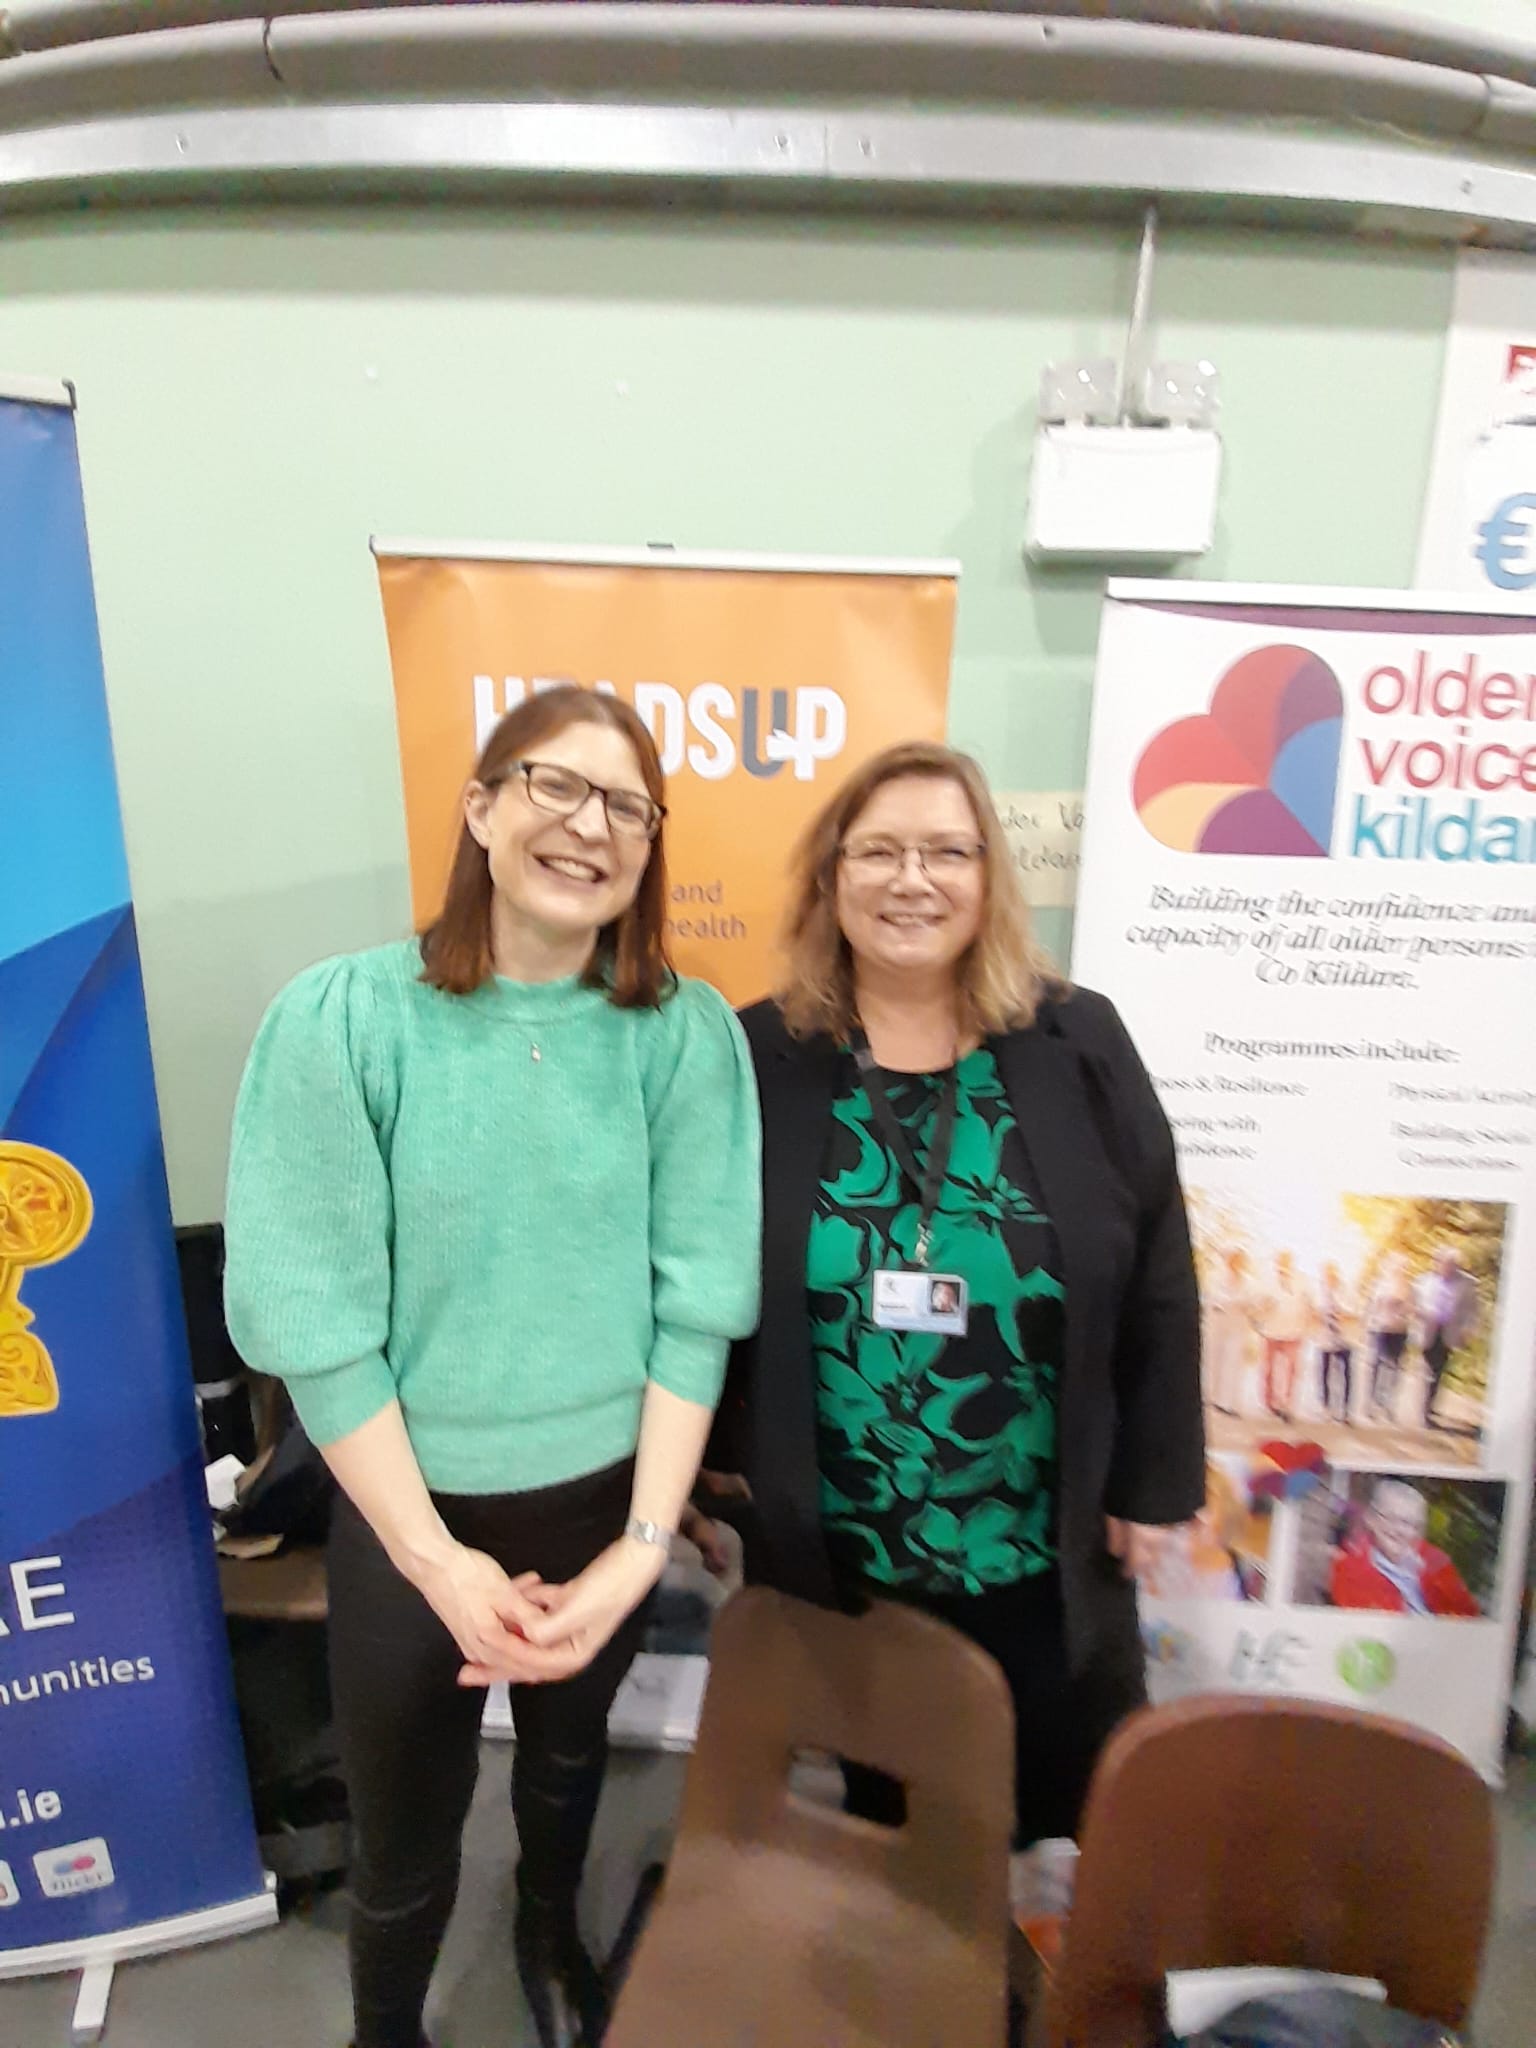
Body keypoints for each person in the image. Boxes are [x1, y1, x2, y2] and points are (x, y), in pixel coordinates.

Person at [223, 687, 761, 2048]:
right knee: (404, 1838)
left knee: (569, 1771)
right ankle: (387, 2027)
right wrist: (437, 1563)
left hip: (604, 1507)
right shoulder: (344, 1020)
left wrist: (642, 1548)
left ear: (650, 844)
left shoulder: (683, 1034)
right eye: (553, 785)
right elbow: (316, 1320)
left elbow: (697, 1307)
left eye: (627, 805)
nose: (591, 825)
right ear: (479, 807)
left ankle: (547, 1936)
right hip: (411, 1518)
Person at [697, 740, 1204, 1847]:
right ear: (832, 876)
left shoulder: (1079, 1038)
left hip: (1040, 1531)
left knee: (1066, 1809)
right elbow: (700, 1259)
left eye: (947, 851)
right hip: (848, 1546)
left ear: (989, 876)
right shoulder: (758, 1051)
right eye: (879, 851)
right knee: (896, 1821)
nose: (912, 879)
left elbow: (1159, 1264)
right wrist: (708, 1458)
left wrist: (1155, 1478)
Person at [1329, 1478, 1479, 1617]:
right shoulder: (1349, 1570)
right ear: (1371, 1518)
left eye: (1411, 1524)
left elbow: (1470, 1616)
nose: (1401, 1531)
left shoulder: (1436, 1561)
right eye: (1392, 1519)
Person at [1415, 1246, 1479, 1431]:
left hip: (1448, 1333)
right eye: (1440, 1262)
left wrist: (1468, 1329)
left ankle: (1427, 1409)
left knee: (1437, 1371)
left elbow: (1472, 1310)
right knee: (1428, 1370)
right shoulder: (1424, 1281)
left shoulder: (1466, 1284)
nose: (1444, 1266)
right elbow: (1415, 1304)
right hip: (1427, 1330)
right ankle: (1425, 1407)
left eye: (1449, 1264)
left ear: (1455, 1265)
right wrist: (1418, 1314)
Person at [1255, 1251, 1311, 1424]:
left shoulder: (1301, 1280)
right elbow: (1258, 1304)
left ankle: (1286, 1404)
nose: (1284, 1264)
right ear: (1276, 1262)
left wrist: (1305, 1325)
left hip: (1293, 1331)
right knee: (1269, 1368)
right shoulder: (1267, 1280)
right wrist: (1263, 1308)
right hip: (1271, 1330)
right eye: (1281, 1261)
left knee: (1291, 1369)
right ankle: (1269, 1402)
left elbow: (1307, 1304)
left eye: (1287, 1260)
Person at [1202, 1245, 1254, 1417]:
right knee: (1213, 1359)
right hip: (1218, 1322)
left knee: (1233, 1361)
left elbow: (1250, 1301)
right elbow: (1211, 1298)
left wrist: (1243, 1304)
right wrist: (1229, 1302)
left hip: (1237, 1324)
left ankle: (1228, 1402)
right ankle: (1210, 1395)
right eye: (1234, 1258)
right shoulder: (1215, 1277)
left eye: (1240, 1260)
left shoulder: (1247, 1281)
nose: (1237, 1263)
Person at [1365, 1253, 1413, 1423]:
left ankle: (1388, 1404)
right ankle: (1372, 1402)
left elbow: (1411, 1309)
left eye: (1403, 1268)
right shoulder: (1380, 1285)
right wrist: (1370, 1325)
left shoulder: (1408, 1287)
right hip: (1380, 1330)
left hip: (1399, 1331)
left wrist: (1403, 1312)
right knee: (1377, 1365)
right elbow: (1372, 1307)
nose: (1400, 1270)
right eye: (1397, 1267)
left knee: (1395, 1368)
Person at [1315, 1261, 1356, 1426]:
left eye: (1332, 1272)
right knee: (1324, 1372)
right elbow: (1314, 1311)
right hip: (1325, 1336)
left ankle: (1345, 1410)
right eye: (1326, 1273)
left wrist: (1344, 1313)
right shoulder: (1319, 1291)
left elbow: (1356, 1310)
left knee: (1346, 1374)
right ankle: (1325, 1407)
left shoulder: (1347, 1290)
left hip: (1344, 1337)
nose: (1329, 1276)